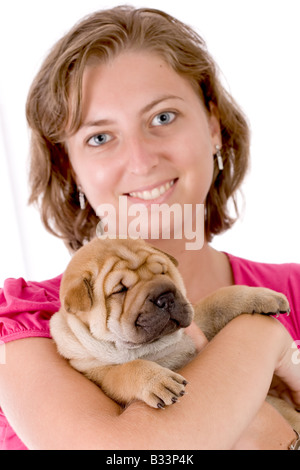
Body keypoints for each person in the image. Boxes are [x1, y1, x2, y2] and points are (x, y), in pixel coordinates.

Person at [0, 5, 299, 450]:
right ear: (70, 167)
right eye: (99, 137)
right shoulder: (31, 326)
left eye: (162, 117)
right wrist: (258, 341)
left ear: (213, 126)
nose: (141, 161)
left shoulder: (293, 290)